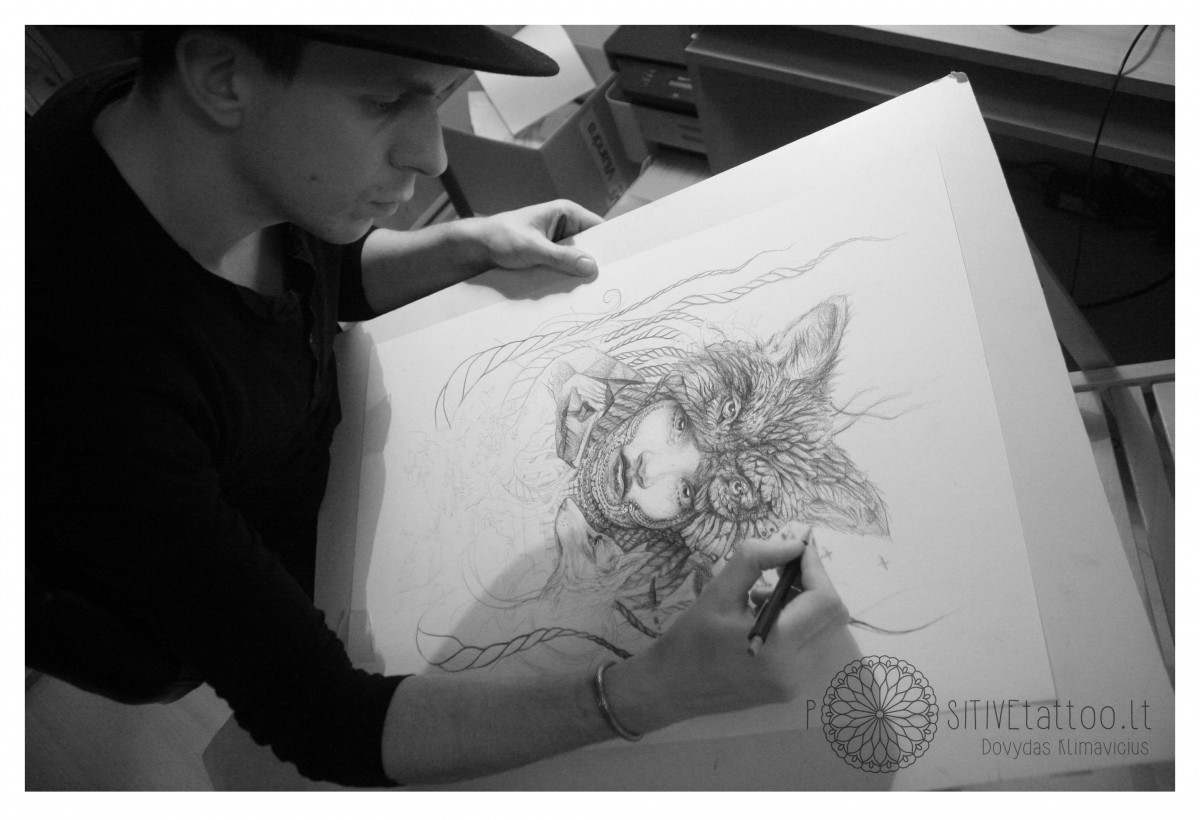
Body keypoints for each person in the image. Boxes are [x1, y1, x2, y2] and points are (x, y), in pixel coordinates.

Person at [26, 25, 849, 787]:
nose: (432, 153)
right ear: (220, 75)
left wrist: (458, 247)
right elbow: (324, 719)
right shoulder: (91, 390)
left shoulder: (151, 128)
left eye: (441, 96)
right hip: (177, 607)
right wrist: (650, 692)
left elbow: (315, 270)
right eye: (386, 100)